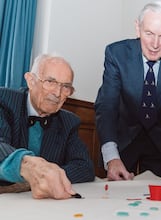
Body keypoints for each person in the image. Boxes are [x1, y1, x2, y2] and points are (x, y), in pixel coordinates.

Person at [95, 1, 161, 181]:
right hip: (122, 140)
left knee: (159, 202)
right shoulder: (116, 54)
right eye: (149, 33)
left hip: (160, 142)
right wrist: (111, 156)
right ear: (138, 28)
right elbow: (107, 106)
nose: (155, 44)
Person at [0, 53, 95, 199]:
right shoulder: (4, 100)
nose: (57, 93)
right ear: (31, 81)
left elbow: (84, 167)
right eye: (50, 82)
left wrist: (47, 177)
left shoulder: (69, 122)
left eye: (66, 87)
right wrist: (28, 166)